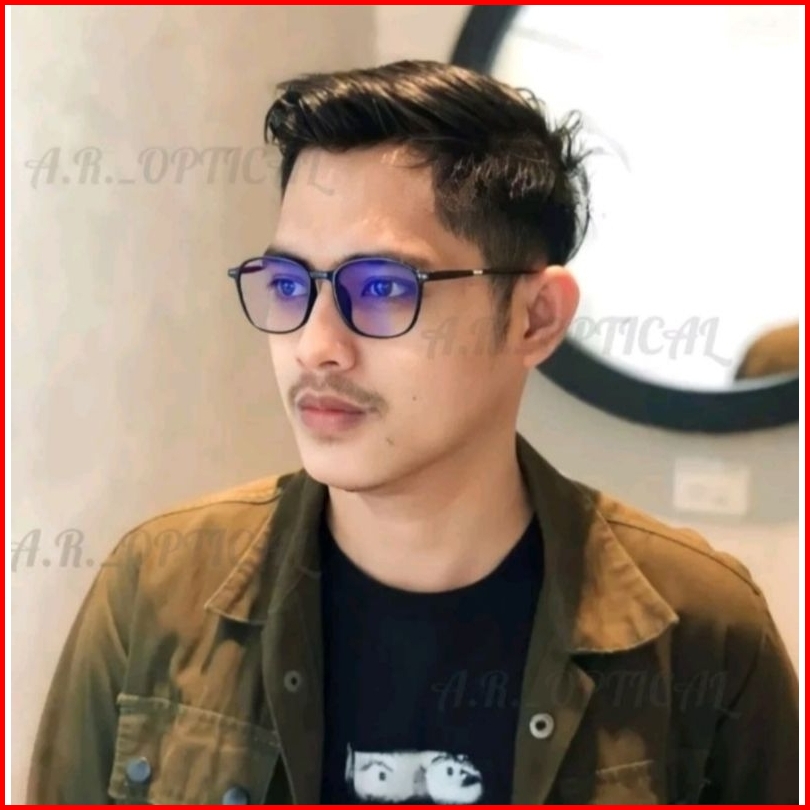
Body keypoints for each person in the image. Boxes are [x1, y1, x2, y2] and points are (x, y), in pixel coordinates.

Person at [26, 60, 798, 805]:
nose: (315, 345)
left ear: (535, 317)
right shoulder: (156, 589)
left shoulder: (702, 632)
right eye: (289, 284)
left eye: (384, 288)